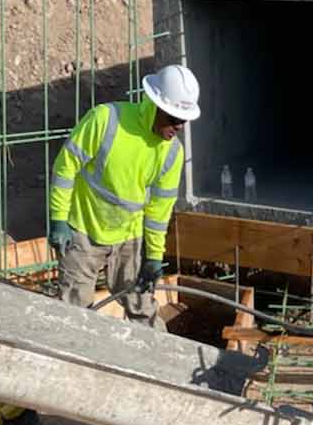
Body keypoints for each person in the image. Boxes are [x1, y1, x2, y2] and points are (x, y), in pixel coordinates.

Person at [47, 64, 199, 329]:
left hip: (129, 237)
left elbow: (158, 214)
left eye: (183, 120)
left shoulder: (172, 154)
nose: (179, 126)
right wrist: (59, 218)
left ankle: (160, 361)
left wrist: (153, 257)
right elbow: (65, 167)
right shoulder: (106, 120)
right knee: (74, 312)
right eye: (173, 117)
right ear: (154, 105)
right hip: (83, 230)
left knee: (142, 307)